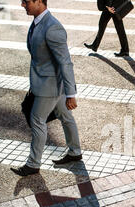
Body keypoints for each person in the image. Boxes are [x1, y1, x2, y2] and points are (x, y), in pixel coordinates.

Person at [11, 0, 83, 177]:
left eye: (26, 1)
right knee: (65, 116)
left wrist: (71, 94)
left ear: (39, 2)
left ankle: (33, 164)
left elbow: (65, 62)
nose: (22, 5)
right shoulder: (37, 22)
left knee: (37, 120)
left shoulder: (53, 28)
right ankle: (75, 152)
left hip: (48, 86)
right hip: (48, 82)